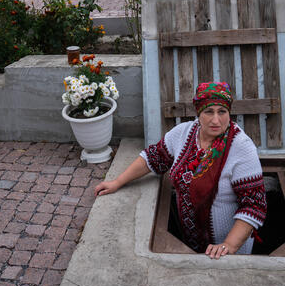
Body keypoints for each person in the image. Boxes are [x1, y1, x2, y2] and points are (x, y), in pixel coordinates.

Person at [94, 82, 266, 259]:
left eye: (222, 112)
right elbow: (154, 158)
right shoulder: (184, 133)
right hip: (191, 242)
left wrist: (228, 245)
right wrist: (117, 182)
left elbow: (254, 206)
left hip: (227, 250)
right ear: (198, 113)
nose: (216, 120)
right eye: (209, 112)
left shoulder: (241, 148)